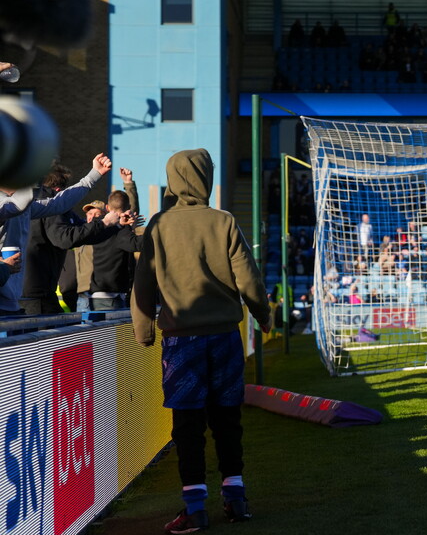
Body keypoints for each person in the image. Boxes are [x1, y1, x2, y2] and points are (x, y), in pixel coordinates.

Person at [131, 149, 271, 532]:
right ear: (206, 178)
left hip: (181, 342)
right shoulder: (223, 221)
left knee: (187, 425)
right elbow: (250, 280)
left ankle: (194, 508)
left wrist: (142, 330)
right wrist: (265, 315)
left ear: (172, 180)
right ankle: (236, 500)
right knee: (228, 419)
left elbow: (142, 284)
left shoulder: (158, 226)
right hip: (225, 336)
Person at [0, 153, 112, 315]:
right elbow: (19, 203)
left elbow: (58, 203)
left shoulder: (23, 207)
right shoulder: (8, 205)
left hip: (12, 303)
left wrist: (94, 174)